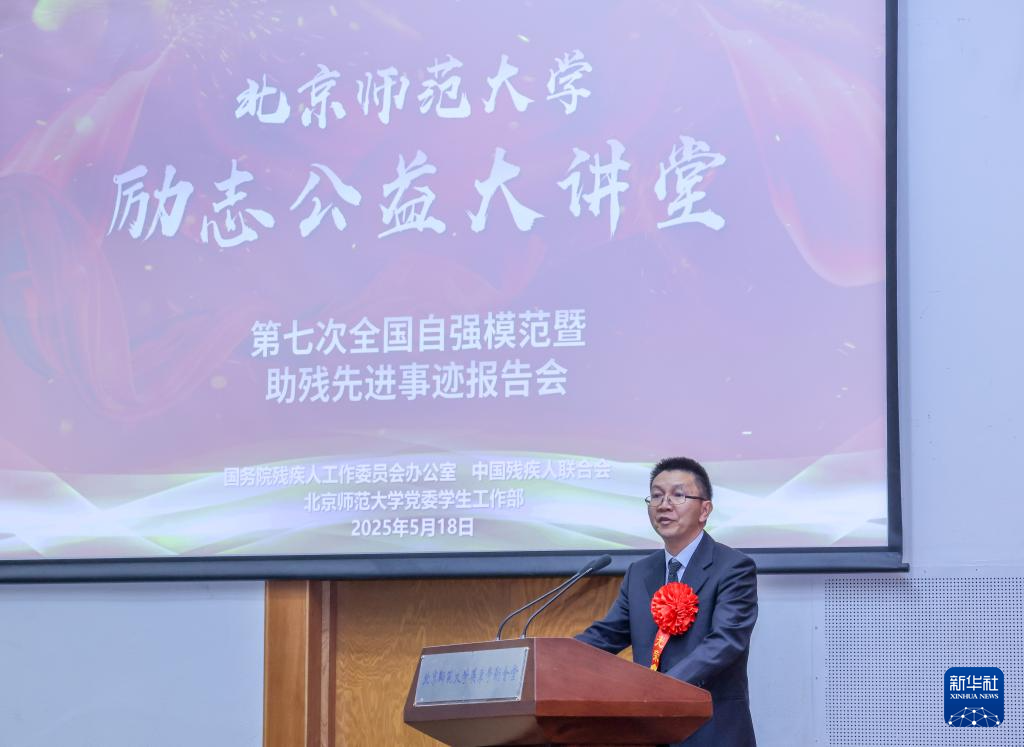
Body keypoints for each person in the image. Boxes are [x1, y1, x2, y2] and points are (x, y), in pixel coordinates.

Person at [576, 456, 758, 746]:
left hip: (712, 730)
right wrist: (549, 657)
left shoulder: (733, 567)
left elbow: (725, 642)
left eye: (678, 495)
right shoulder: (640, 572)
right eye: (657, 496)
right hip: (651, 732)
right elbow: (607, 635)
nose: (664, 504)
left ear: (705, 509)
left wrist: (661, 688)